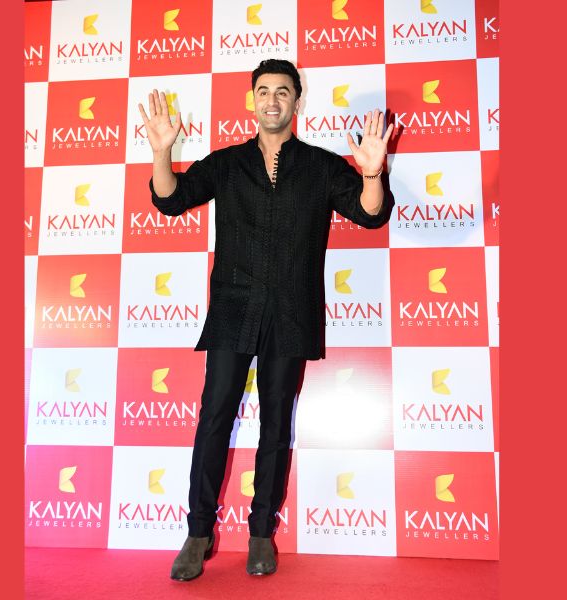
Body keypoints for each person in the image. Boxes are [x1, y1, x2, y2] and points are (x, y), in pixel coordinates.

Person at [138, 59, 394, 581]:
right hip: (233, 308)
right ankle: (197, 533)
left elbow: (370, 214)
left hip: (292, 312)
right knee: (214, 419)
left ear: (297, 101)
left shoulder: (322, 166)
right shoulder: (227, 163)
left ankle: (261, 535)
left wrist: (372, 173)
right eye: (263, 91)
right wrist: (162, 152)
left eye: (282, 91)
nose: (272, 100)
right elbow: (171, 199)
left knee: (276, 425)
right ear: (252, 100)